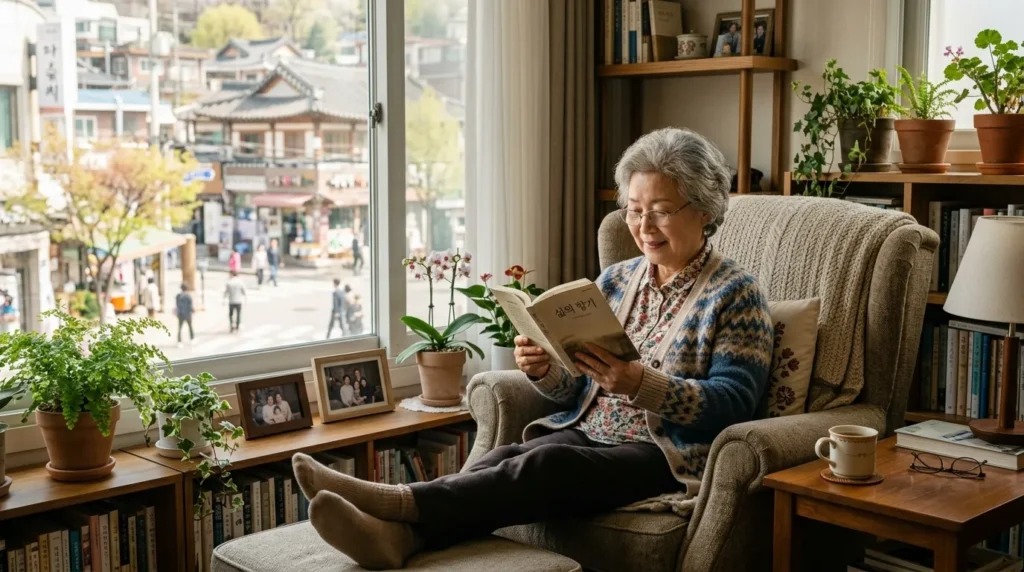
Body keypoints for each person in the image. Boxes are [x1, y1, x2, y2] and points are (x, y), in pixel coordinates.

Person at [290, 127, 775, 570]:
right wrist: (544, 370)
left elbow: (735, 404)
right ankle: (400, 540)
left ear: (705, 211)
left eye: (662, 210)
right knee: (503, 458)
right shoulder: (617, 280)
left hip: (664, 455)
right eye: (634, 208)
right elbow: (576, 391)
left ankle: (394, 501)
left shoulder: (735, 294)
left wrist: (639, 384)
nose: (644, 225)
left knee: (546, 464)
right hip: (590, 433)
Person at [175, 283, 195, 348]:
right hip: (187, 314)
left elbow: (177, 305)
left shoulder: (178, 296)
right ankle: (192, 338)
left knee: (180, 328)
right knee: (190, 326)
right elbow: (190, 305)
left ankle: (179, 341)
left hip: (180, 314)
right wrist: (193, 310)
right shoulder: (188, 296)